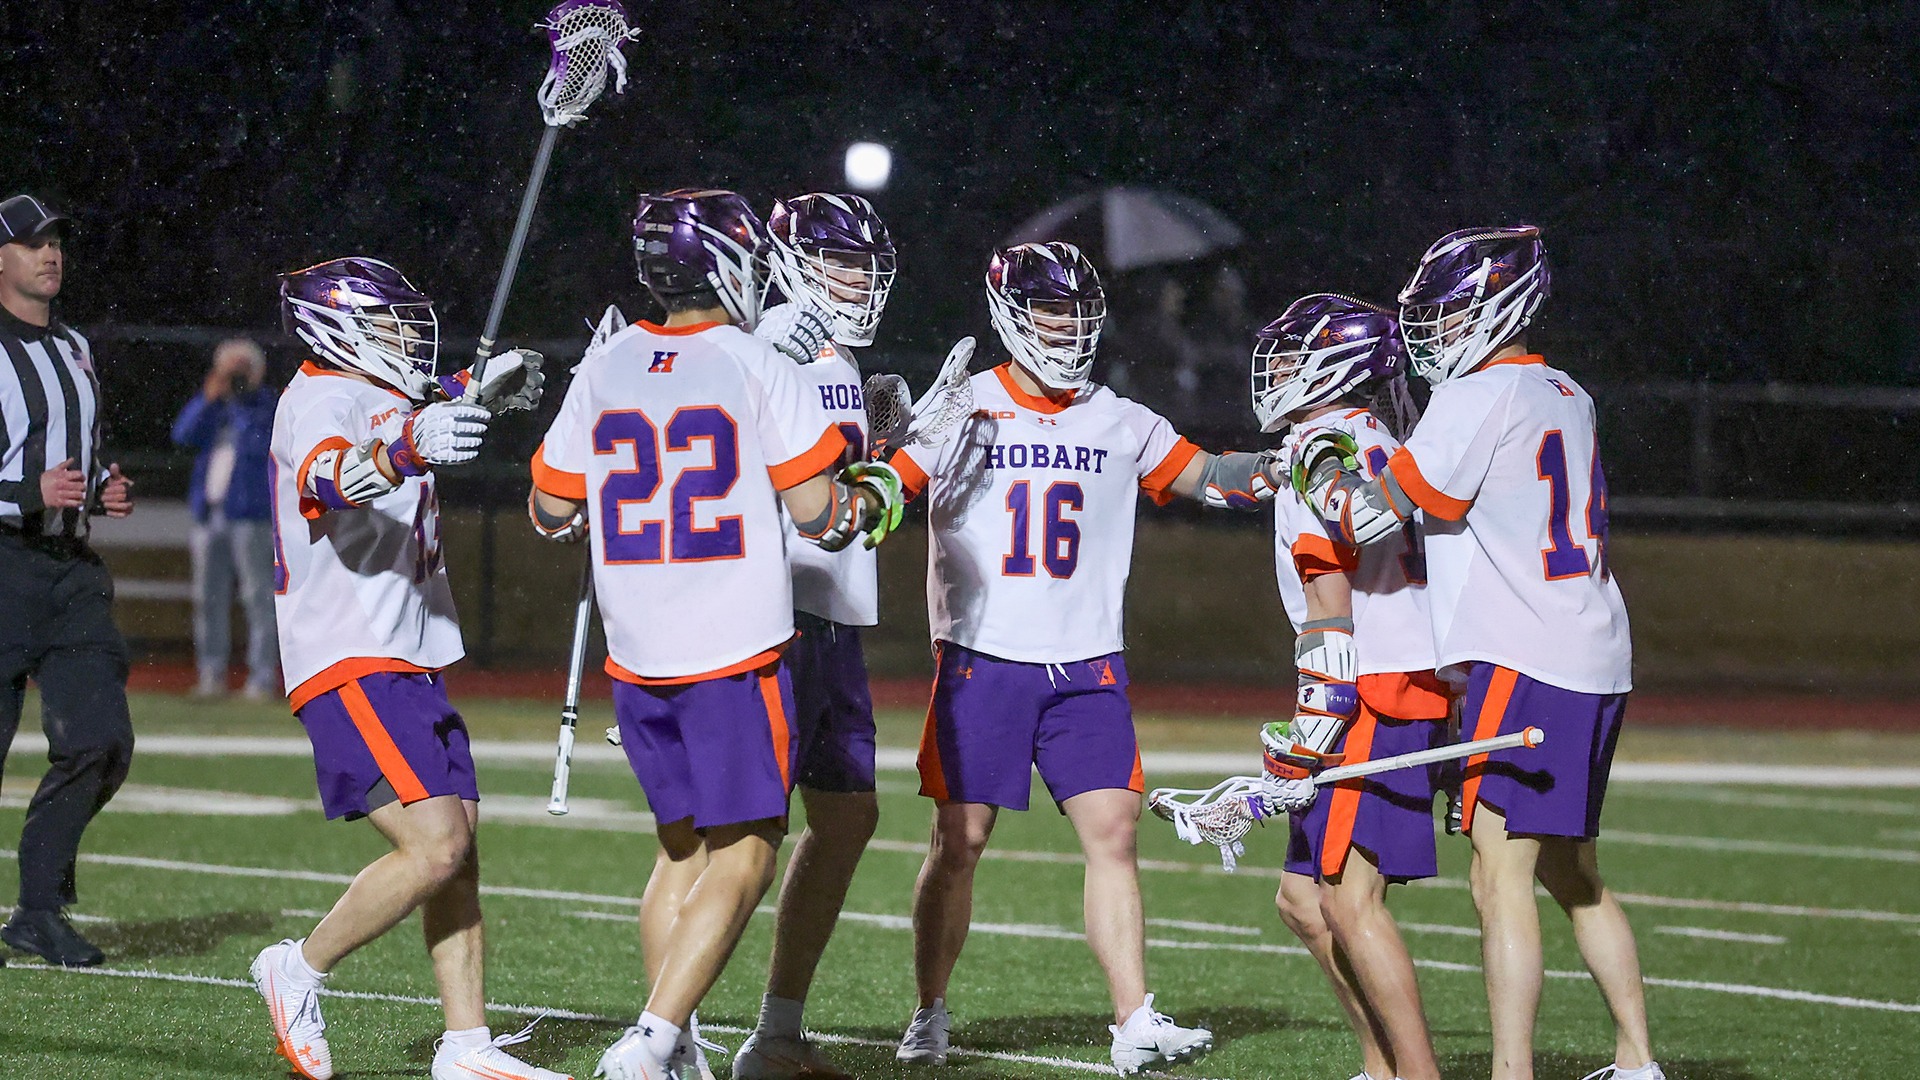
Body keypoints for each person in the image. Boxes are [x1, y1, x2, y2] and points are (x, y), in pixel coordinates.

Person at [526, 188, 900, 1080]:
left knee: (688, 847)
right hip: (739, 641)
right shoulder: (756, 357)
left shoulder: (609, 362)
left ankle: (680, 1044)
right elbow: (822, 516)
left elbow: (549, 511)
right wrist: (881, 491)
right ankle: (655, 1041)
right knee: (743, 852)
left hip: (640, 648)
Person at [890, 241, 1284, 1075]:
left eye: (1076, 313)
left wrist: (1283, 467)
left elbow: (1210, 475)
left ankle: (1133, 1018)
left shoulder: (1119, 416)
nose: (1065, 328)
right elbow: (884, 493)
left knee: (1114, 834)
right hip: (984, 658)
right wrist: (893, 437)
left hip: (1086, 666)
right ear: (1010, 315)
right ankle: (929, 1008)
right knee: (959, 843)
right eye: (1049, 310)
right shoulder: (964, 406)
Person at [1290, 226, 1661, 1080]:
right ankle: (1638, 1059)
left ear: (1501, 307)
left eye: (1451, 312)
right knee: (1572, 872)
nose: (1437, 329)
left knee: (1500, 877)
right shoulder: (1569, 391)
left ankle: (1510, 1072)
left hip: (1524, 654)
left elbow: (1371, 513)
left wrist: (1316, 462)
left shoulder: (1475, 396)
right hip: (1596, 647)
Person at [249, 256, 562, 1080]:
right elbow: (333, 476)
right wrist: (409, 448)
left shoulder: (378, 391)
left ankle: (466, 1047)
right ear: (336, 326)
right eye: (388, 319)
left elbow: (417, 409)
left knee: (458, 851)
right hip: (351, 653)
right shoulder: (319, 397)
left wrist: (476, 387)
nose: (406, 333)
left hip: (407, 654)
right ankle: (298, 968)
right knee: (436, 847)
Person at [730, 192, 902, 1080]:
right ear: (792, 261)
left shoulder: (833, 351)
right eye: (840, 261)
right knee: (737, 839)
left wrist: (895, 444)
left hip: (829, 615)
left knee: (846, 816)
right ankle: (661, 1032)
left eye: (866, 266)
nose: (857, 280)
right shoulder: (764, 337)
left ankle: (776, 1032)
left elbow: (840, 482)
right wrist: (760, 349)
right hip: (771, 612)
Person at [1255, 294, 1445, 1080]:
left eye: (1292, 356)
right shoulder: (1381, 440)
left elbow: (1328, 608)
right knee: (1303, 901)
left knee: (1347, 899)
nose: (1276, 371)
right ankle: (1380, 1065)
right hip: (1401, 674)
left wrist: (1313, 727)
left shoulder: (1319, 447)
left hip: (1373, 684)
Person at [0, 192, 136, 968]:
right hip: (2, 564)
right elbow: (29, 474)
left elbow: (81, 450)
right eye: (31, 242)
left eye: (55, 240)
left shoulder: (75, 346)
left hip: (68, 571)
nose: (49, 253)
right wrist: (26, 492)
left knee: (100, 740)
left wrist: (103, 486)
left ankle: (37, 911)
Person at [171, 336, 280, 699]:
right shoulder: (215, 407)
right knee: (208, 599)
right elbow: (183, 434)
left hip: (251, 515)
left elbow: (258, 444)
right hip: (210, 514)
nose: (235, 377)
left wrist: (244, 400)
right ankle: (211, 676)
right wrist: (208, 399)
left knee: (257, 597)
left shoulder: (266, 407)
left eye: (241, 370)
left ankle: (261, 679)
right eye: (228, 370)